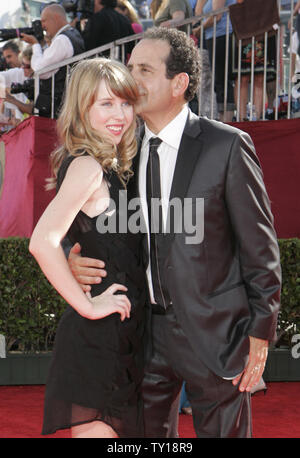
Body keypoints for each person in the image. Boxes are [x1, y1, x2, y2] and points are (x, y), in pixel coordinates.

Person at [69, 27, 281, 438]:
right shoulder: (117, 149)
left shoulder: (227, 147)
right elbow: (73, 221)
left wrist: (260, 333)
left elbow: (261, 251)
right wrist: (72, 256)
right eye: (129, 69)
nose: (130, 80)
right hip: (141, 333)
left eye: (144, 70)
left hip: (216, 333)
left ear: (179, 83)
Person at [29, 57, 146, 438]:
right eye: (106, 104)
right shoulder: (88, 167)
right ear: (83, 109)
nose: (120, 114)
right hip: (99, 345)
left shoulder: (113, 164)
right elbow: (42, 241)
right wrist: (90, 306)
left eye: (126, 102)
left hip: (123, 339)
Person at [21, 3, 85, 118]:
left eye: (44, 21)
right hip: (68, 102)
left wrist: (35, 44)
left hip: (61, 107)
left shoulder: (62, 39)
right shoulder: (72, 34)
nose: (42, 26)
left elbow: (40, 70)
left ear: (56, 17)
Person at [193, 0, 236, 122]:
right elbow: (198, 12)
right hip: (213, 37)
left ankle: (227, 121)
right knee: (219, 82)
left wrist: (200, 29)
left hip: (222, 36)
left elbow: (217, 16)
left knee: (222, 81)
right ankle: (223, 119)